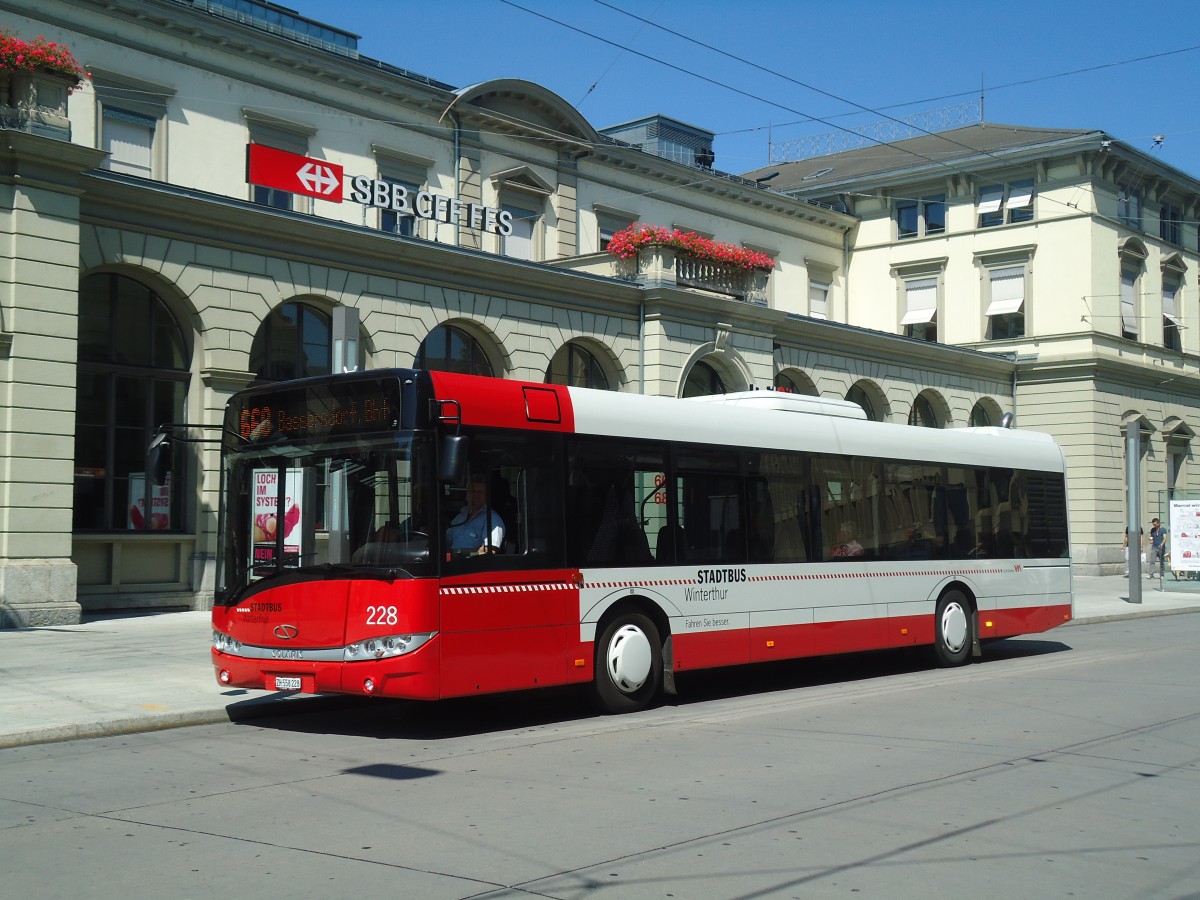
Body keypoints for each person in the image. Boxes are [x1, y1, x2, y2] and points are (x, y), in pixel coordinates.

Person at [446, 473, 505, 555]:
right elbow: (445, 543)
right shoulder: (459, 518)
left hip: (475, 566)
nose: (476, 495)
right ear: (467, 493)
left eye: (480, 492)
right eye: (473, 491)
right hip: (452, 565)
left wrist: (459, 553)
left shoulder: (492, 519)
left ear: (487, 495)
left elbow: (490, 551)